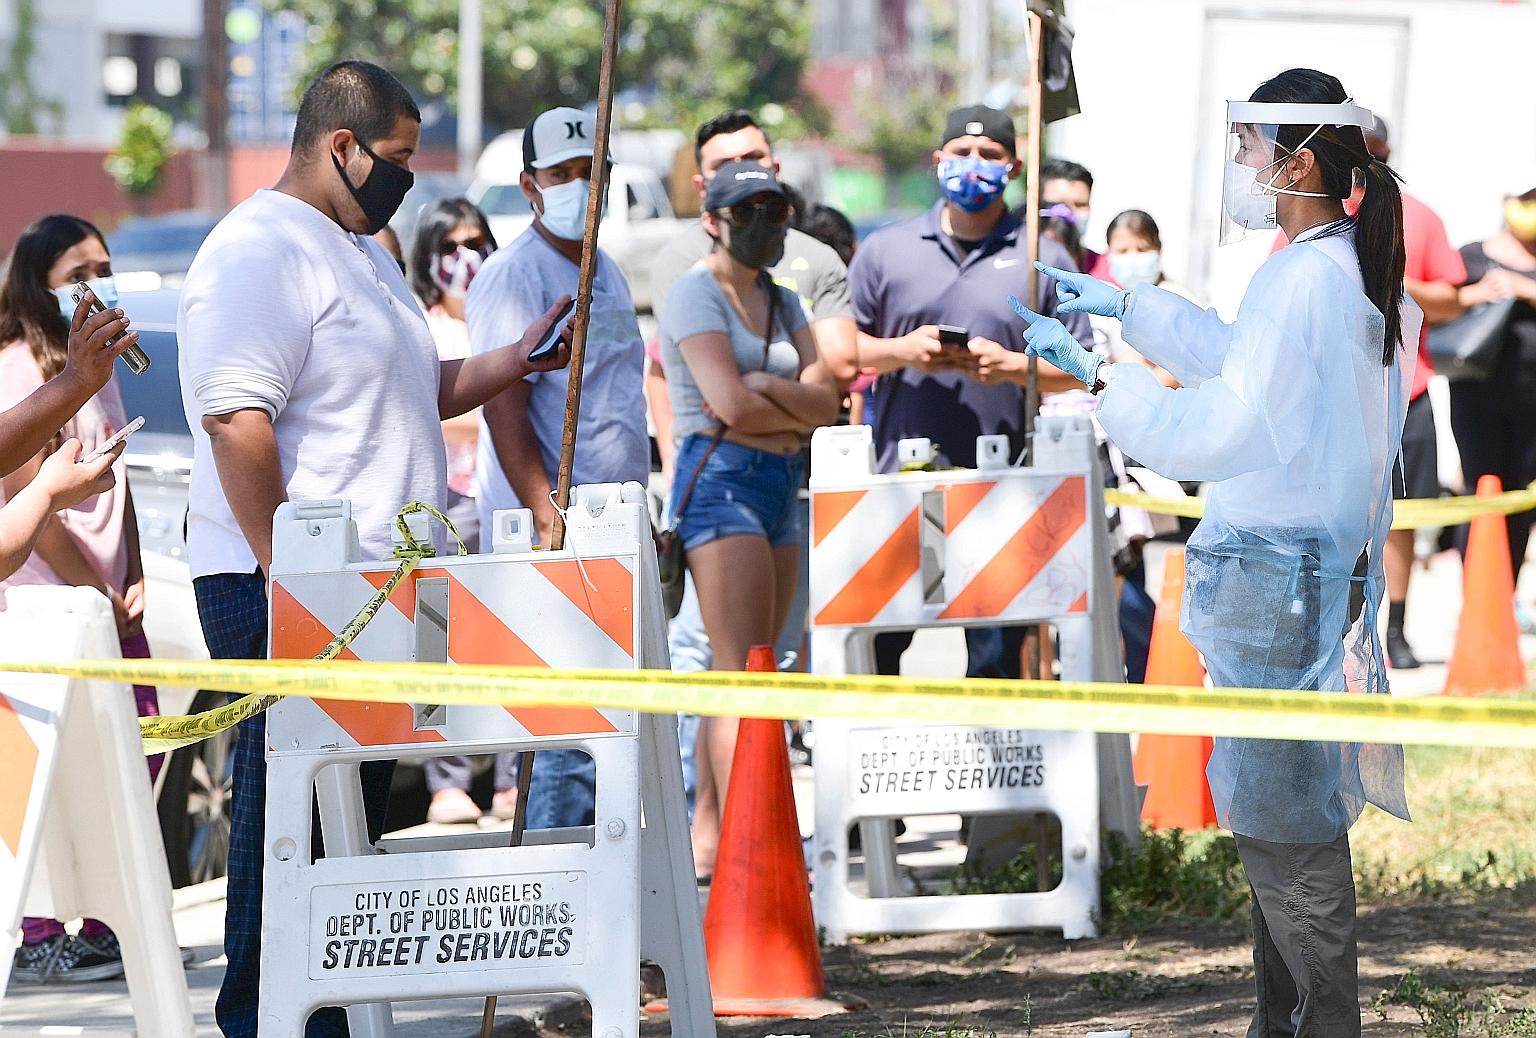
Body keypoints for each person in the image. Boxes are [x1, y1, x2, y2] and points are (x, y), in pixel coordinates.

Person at [178, 60, 572, 1038]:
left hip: (369, 587)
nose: (406, 178)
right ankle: (265, 1021)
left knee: (347, 824)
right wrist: (287, 569)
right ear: (340, 146)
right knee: (294, 828)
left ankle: (327, 1020)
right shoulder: (263, 248)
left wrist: (514, 358)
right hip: (288, 586)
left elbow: (418, 390)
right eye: (396, 158)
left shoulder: (363, 246)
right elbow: (235, 417)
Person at [1018, 69, 1415, 1035]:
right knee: (1285, 821)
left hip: (1282, 577)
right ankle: (1286, 1021)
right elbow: (1244, 357)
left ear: (1302, 161)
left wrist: (1108, 378)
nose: (1242, 166)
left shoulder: (1311, 275)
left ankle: (1322, 1025)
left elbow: (1228, 426)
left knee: (1285, 829)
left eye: (1251, 147)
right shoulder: (1328, 266)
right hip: (1300, 572)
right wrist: (1128, 308)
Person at [832, 104, 1090, 680]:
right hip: (902, 480)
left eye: (991, 155)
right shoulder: (887, 250)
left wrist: (1013, 368)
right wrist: (903, 351)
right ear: (938, 160)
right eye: (962, 152)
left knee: (996, 655)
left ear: (1015, 166)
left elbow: (1081, 367)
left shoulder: (1042, 258)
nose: (974, 165)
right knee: (881, 645)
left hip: (1005, 487)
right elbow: (842, 353)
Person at [464, 106, 649, 834]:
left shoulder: (607, 267)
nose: (579, 186)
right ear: (529, 185)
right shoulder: (513, 276)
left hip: (615, 525)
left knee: (610, 726)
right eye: (562, 174)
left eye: (590, 173)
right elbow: (503, 406)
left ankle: (599, 891)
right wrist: (548, 510)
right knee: (565, 729)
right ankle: (557, 888)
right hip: (556, 532)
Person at [658, 161, 839, 875]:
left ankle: (716, 833)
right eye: (748, 210)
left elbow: (829, 401)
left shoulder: (785, 299)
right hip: (719, 482)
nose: (764, 223)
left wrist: (768, 395)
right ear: (715, 218)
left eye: (775, 208)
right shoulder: (692, 295)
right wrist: (779, 406)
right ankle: (749, 842)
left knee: (762, 664)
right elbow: (725, 406)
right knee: (739, 672)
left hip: (777, 480)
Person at [0, 214, 149, 984]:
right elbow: (19, 516)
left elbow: (113, 482)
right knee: (38, 784)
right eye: (76, 271)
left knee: (132, 751)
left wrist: (134, 572)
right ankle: (38, 931)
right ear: (36, 281)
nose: (96, 282)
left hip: (107, 602)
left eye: (105, 265)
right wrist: (54, 500)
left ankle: (105, 924)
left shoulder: (100, 365)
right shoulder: (18, 368)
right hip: (51, 611)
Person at [1271, 117, 1465, 668]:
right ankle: (1331, 621)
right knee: (1328, 515)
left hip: (1403, 393)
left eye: (1377, 150)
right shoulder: (1310, 217)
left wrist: (1384, 276)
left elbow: (1449, 298)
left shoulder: (1418, 217)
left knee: (1397, 515)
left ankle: (1393, 626)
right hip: (1331, 399)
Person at [405, 196, 498, 825]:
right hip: (450, 502)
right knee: (439, 641)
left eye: (476, 243)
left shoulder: (499, 314)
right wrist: (495, 396)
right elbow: (443, 408)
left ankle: (515, 776)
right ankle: (448, 778)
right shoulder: (423, 325)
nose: (466, 259)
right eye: (450, 248)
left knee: (512, 639)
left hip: (506, 496)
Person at [1451, 183, 1536, 593]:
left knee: (1520, 500)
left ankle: (1504, 596)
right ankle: (1476, 596)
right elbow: (1439, 303)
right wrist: (1476, 294)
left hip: (1530, 403)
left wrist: (1525, 289)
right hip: (1476, 397)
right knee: (1482, 490)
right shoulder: (1472, 254)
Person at [1041, 157, 1108, 278]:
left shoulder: (1106, 271)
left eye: (1080, 205)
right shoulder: (1016, 264)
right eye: (1059, 205)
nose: (1069, 213)